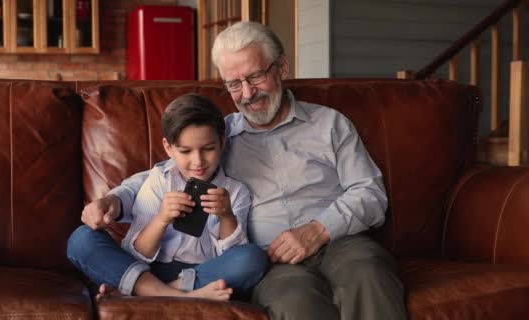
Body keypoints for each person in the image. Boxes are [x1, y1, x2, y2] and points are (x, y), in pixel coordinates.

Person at [76, 21, 406, 319]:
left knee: (367, 273)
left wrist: (318, 230)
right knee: (294, 302)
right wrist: (114, 200)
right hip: (272, 260)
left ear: (282, 67)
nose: (247, 94)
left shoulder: (330, 124)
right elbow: (160, 175)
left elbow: (371, 193)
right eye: (234, 84)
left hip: (340, 241)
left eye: (255, 77)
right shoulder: (221, 137)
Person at [67, 93, 268, 301]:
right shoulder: (160, 180)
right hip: (148, 271)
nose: (197, 161)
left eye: (208, 149)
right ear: (168, 148)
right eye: (185, 151)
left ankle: (143, 292)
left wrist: (226, 215)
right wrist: (161, 219)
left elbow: (233, 256)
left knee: (253, 258)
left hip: (204, 273)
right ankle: (178, 295)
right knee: (81, 239)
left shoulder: (235, 192)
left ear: (222, 142)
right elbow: (136, 254)